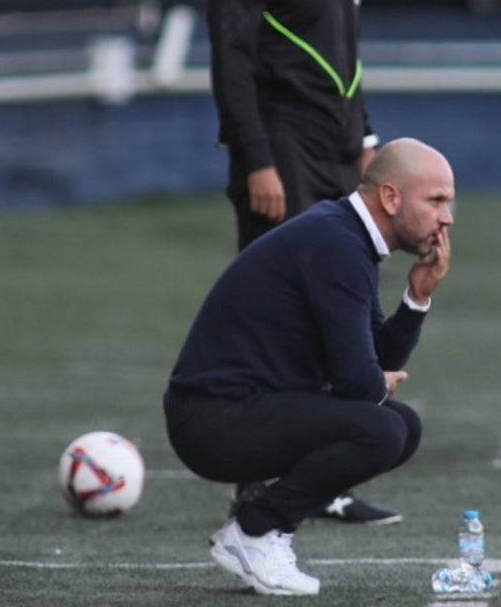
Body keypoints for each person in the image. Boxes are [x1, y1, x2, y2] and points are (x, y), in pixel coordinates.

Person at [163, 138, 455, 596]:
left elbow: (374, 366)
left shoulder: (346, 238)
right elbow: (361, 384)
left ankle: (261, 527)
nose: (447, 218)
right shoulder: (337, 243)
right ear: (391, 197)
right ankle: (255, 532)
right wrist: (373, 381)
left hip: (242, 408)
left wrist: (417, 297)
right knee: (383, 429)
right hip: (212, 418)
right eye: (436, 200)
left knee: (399, 426)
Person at [208, 0, 392, 524]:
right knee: (274, 323)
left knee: (335, 317)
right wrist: (256, 159)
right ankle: (255, 483)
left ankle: (320, 479)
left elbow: (349, 61)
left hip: (340, 158)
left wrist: (367, 136)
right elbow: (233, 66)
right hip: (280, 158)